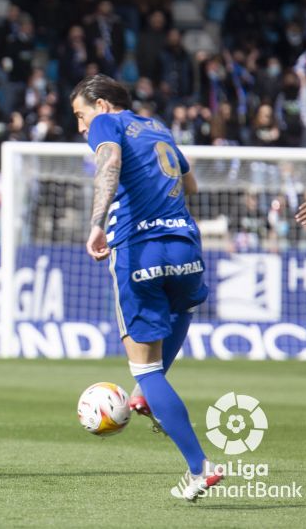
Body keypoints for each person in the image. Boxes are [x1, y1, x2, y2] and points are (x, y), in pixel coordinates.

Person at [69, 74, 219, 501]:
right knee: (183, 308)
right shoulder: (157, 126)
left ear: (100, 105)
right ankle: (146, 397)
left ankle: (199, 467)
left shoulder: (106, 124)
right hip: (186, 245)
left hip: (139, 250)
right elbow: (191, 185)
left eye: (80, 115)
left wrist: (97, 224)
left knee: (146, 368)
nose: (81, 127)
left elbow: (110, 163)